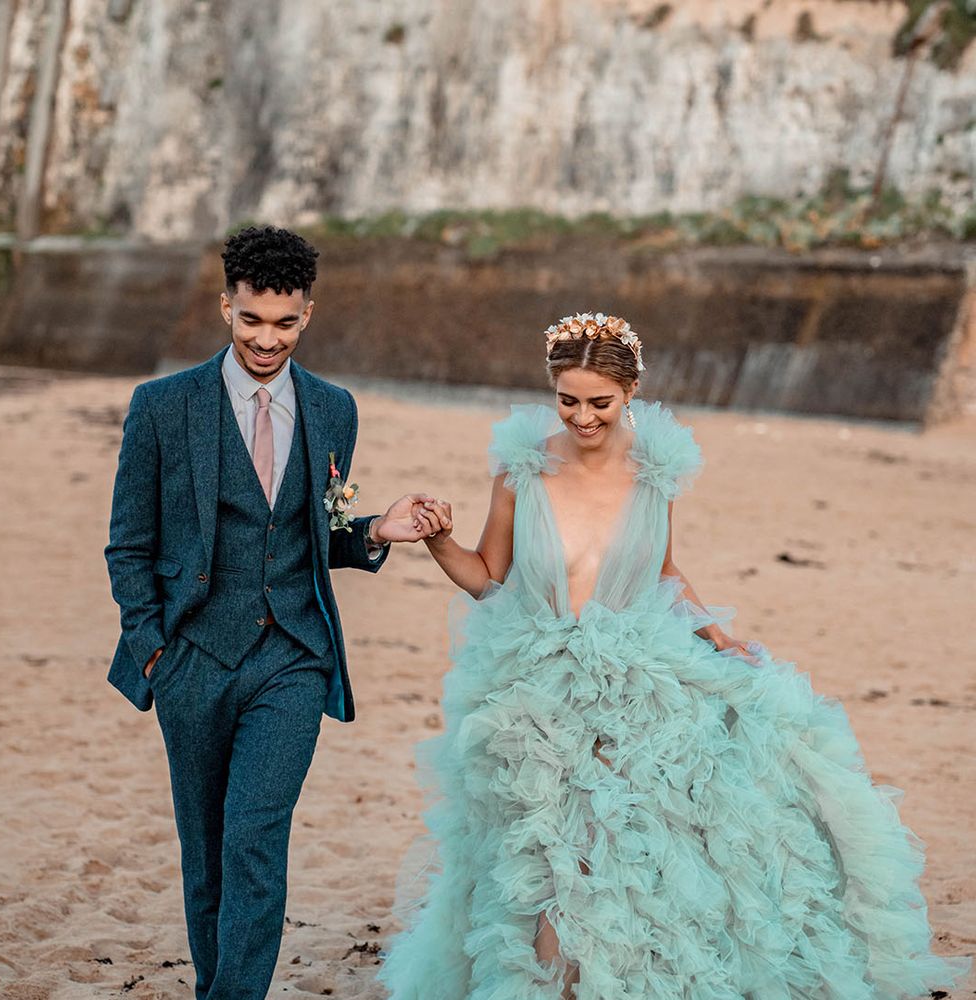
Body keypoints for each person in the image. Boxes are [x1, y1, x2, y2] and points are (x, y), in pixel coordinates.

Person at [378, 313, 970, 999]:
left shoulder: (653, 472)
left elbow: (663, 568)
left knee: (630, 842)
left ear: (630, 393)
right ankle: (551, 984)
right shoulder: (523, 469)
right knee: (547, 848)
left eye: (599, 402)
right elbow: (489, 577)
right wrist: (435, 541)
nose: (582, 417)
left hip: (637, 672)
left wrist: (716, 633)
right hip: (534, 683)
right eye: (567, 400)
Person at [104, 225, 446, 1000]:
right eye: (252, 319)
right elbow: (128, 546)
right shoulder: (161, 407)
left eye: (284, 322)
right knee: (208, 851)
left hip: (293, 656)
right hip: (191, 658)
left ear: (308, 315)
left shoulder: (335, 409)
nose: (267, 338)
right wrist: (154, 646)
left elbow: (306, 535)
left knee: (255, 837)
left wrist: (374, 534)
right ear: (227, 306)